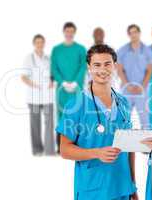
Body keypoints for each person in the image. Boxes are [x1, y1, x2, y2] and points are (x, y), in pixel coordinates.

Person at [56, 44, 138, 200]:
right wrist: (96, 153)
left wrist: (133, 186)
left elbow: (129, 149)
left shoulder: (123, 103)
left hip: (123, 188)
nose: (103, 69)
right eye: (97, 65)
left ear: (115, 66)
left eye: (107, 64)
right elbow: (65, 150)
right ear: (89, 68)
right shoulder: (75, 105)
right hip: (93, 190)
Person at [51, 22, 87, 151]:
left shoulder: (81, 49)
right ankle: (61, 146)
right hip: (62, 89)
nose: (69, 34)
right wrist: (63, 82)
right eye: (67, 31)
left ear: (74, 32)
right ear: (64, 32)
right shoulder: (56, 50)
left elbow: (83, 66)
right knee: (62, 114)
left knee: (78, 114)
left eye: (72, 31)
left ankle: (78, 145)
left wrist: (76, 82)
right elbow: (54, 68)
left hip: (77, 88)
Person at [21, 34, 55, 156]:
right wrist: (34, 85)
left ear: (44, 43)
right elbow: (23, 77)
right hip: (33, 96)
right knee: (35, 125)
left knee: (49, 124)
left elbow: (53, 74)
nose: (40, 44)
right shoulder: (28, 58)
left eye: (42, 42)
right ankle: (37, 150)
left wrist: (52, 81)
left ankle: (50, 150)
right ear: (34, 44)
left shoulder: (48, 58)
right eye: (37, 42)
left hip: (47, 96)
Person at [117, 24, 152, 129]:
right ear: (128, 35)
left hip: (142, 89)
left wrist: (142, 86)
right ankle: (123, 142)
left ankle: (146, 143)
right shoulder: (123, 50)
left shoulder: (146, 50)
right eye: (131, 33)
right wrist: (127, 85)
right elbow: (119, 69)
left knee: (144, 118)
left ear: (139, 33)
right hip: (126, 89)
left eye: (135, 32)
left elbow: (150, 69)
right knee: (125, 116)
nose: (133, 35)